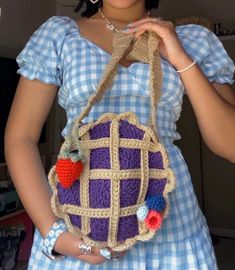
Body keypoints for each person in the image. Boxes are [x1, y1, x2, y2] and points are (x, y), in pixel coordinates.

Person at [4, 0, 235, 269]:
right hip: (78, 221)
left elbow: (229, 144)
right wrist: (53, 231)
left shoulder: (193, 40)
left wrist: (181, 58)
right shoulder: (60, 35)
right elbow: (21, 138)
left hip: (171, 224)